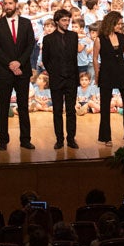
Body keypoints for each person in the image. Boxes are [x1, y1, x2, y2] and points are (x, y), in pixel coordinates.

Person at [0, 0, 36, 150]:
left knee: (23, 106)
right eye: (6, 3)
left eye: (11, 3)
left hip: (23, 71)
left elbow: (30, 45)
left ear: (16, 4)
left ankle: (25, 140)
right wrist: (11, 64)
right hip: (5, 71)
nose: (8, 6)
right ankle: (3, 140)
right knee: (3, 107)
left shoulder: (26, 23)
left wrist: (19, 63)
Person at [93, 11, 124, 143]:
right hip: (106, 73)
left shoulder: (122, 37)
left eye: (121, 24)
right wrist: (97, 75)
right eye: (118, 24)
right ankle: (106, 137)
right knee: (105, 106)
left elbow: (123, 55)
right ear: (110, 23)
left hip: (122, 72)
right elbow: (95, 58)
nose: (120, 26)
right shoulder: (99, 39)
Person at [41, 8, 80, 149]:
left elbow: (73, 58)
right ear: (57, 21)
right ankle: (59, 139)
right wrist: (55, 73)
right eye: (64, 20)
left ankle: (71, 138)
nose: (67, 23)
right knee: (57, 111)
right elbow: (46, 60)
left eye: (68, 20)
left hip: (71, 79)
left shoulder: (73, 36)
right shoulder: (48, 39)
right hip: (57, 79)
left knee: (71, 111)